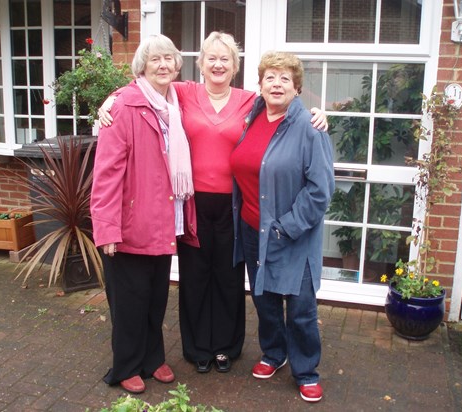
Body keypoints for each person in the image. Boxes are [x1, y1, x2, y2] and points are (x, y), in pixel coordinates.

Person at [98, 32, 328, 374]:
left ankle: (226, 347)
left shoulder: (252, 100)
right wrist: (110, 99)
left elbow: (287, 104)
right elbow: (143, 88)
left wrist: (319, 113)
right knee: (194, 277)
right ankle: (197, 349)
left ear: (235, 67)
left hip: (234, 206)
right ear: (201, 64)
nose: (218, 64)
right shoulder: (182, 92)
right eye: (211, 58)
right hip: (191, 203)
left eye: (226, 59)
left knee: (229, 278)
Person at [90, 34, 199, 394]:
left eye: (169, 58)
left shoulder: (175, 100)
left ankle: (153, 359)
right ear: (142, 66)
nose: (163, 65)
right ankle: (126, 365)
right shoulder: (123, 105)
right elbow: (106, 173)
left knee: (155, 298)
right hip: (131, 223)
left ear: (177, 65)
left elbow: (224, 94)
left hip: (165, 220)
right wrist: (107, 229)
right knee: (129, 302)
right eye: (155, 60)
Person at [230, 51, 335, 403]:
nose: (276, 84)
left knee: (301, 307)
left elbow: (320, 191)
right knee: (264, 300)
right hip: (252, 229)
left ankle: (306, 371)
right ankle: (275, 354)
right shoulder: (251, 116)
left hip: (293, 234)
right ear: (259, 85)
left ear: (297, 88)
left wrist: (287, 226)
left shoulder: (309, 127)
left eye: (285, 78)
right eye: (270, 77)